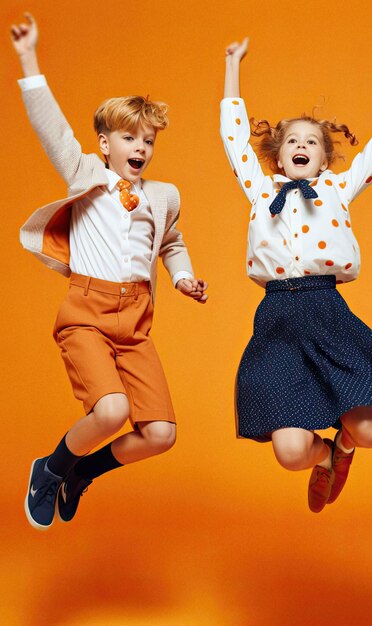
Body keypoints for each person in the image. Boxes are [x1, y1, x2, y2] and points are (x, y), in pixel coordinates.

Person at [221, 21, 372, 513]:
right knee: (291, 450)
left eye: (312, 142)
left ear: (324, 159)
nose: (302, 145)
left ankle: (344, 446)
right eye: (292, 140)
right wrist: (232, 67)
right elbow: (233, 138)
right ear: (278, 156)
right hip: (277, 321)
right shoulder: (260, 189)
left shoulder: (339, 188)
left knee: (369, 429)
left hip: (327, 312)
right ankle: (324, 458)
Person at [11, 13, 208, 530]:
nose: (140, 148)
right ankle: (51, 470)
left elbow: (172, 242)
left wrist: (184, 276)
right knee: (111, 411)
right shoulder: (86, 176)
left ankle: (83, 472)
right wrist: (29, 58)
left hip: (136, 322)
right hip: (87, 314)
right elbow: (49, 126)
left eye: (148, 141)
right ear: (104, 143)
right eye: (129, 138)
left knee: (161, 433)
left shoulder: (164, 196)